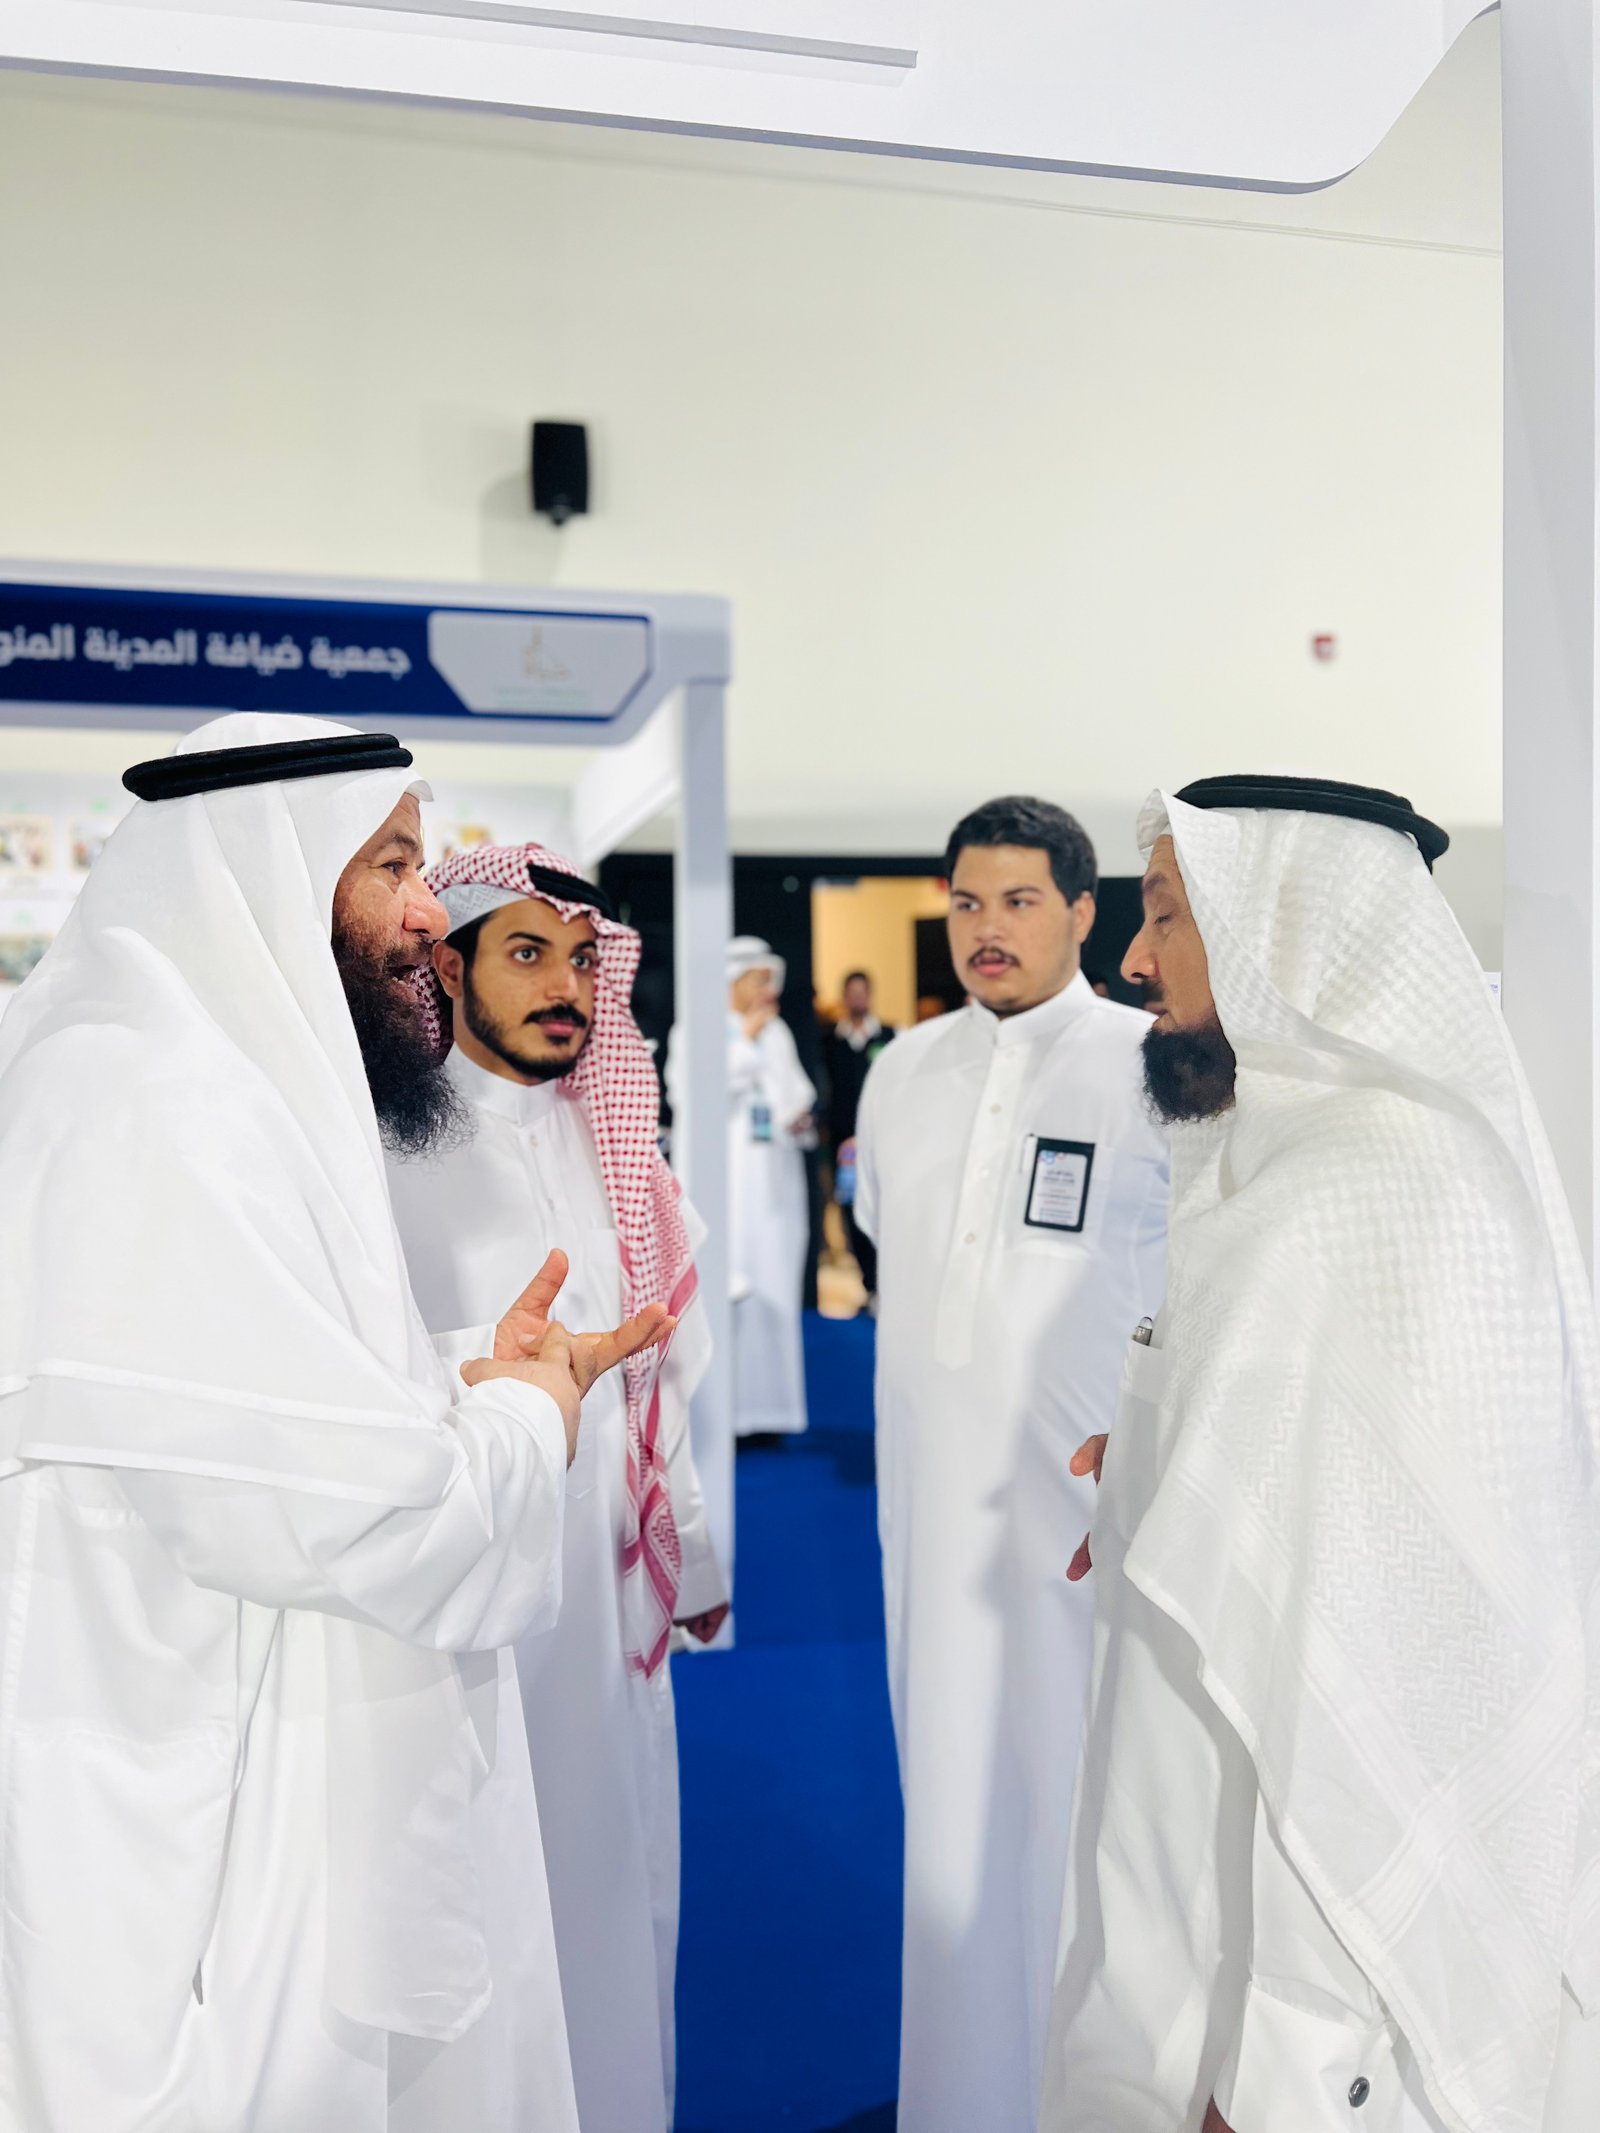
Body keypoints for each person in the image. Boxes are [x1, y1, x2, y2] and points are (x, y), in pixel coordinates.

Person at [0, 713, 673, 2133]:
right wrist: (524, 1418)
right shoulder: (164, 1110)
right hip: (200, 1811)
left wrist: (460, 1377)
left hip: (231, 1745)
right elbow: (351, 1514)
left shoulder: (196, 1085)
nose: (430, 914)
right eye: (394, 866)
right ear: (269, 877)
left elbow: (262, 1401)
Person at [1042, 775, 1600, 2133]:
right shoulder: (1280, 1162)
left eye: (1166, 913)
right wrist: (1163, 1474)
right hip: (1191, 1927)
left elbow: (1392, 1681)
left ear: (1276, 926)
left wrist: (1284, 2069)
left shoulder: (1379, 1192)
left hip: (1310, 2003)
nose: (1131, 956)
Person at [386, 840, 729, 2133]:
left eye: (583, 958)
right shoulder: (386, 1147)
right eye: (526, 953)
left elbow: (662, 1381)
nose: (566, 987)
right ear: (451, 964)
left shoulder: (614, 1145)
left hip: (604, 1614)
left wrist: (686, 1554)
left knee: (611, 1901)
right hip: (461, 1627)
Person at [854, 795, 1169, 2133]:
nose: (989, 930)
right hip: (930, 1523)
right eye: (967, 903)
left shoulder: (1155, 1061)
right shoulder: (902, 1071)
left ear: (1084, 914)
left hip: (1091, 1520)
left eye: (1021, 902)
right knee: (954, 1811)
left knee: (1087, 1808)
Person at [672, 937, 817, 1438]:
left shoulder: (775, 1033)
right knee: (723, 1290)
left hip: (774, 1188)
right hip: (723, 1190)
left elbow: (797, 1092)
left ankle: (769, 1413)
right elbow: (695, 1087)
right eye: (758, 981)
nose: (766, 992)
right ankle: (722, 1416)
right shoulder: (698, 1029)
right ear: (733, 983)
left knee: (772, 1287)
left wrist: (796, 1115)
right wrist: (747, 1043)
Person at [825, 970, 896, 1300]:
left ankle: (889, 1284)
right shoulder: (829, 1041)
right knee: (854, 1213)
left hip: (883, 1142)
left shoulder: (890, 1037)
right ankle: (868, 1286)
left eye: (862, 992)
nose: (857, 998)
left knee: (887, 1209)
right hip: (844, 1149)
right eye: (850, 992)